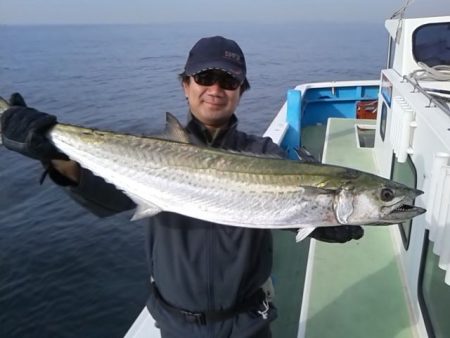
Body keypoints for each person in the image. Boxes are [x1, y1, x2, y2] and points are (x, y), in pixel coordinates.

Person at [1, 36, 363, 338]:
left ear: (241, 91)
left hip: (249, 323)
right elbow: (107, 199)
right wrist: (50, 153)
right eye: (205, 77)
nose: (216, 90)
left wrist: (325, 223)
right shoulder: (148, 153)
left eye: (229, 81)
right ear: (186, 85)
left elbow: (288, 205)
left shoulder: (266, 154)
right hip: (175, 325)